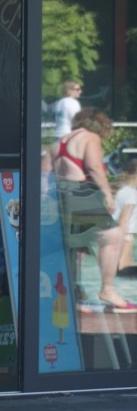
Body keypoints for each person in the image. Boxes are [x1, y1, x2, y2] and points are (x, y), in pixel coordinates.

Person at [53, 108, 136, 311]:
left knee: (75, 246)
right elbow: (94, 168)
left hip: (61, 194)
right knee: (113, 235)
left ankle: (72, 293)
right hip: (82, 192)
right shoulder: (90, 137)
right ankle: (107, 289)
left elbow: (45, 172)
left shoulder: (60, 142)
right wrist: (107, 194)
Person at [113, 159, 137, 275]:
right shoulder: (132, 194)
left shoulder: (122, 191)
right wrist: (124, 239)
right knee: (123, 266)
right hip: (126, 235)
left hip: (122, 234)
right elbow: (124, 219)